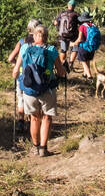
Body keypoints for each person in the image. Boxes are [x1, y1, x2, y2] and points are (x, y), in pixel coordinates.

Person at [13, 23, 67, 157]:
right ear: (47, 37)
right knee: (47, 117)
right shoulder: (52, 50)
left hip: (29, 90)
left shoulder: (25, 47)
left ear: (34, 35)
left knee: (34, 118)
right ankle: (43, 148)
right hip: (47, 89)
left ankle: (35, 147)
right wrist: (63, 71)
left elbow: (15, 72)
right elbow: (61, 72)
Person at [6, 18, 41, 138]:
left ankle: (21, 122)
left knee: (21, 98)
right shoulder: (41, 41)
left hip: (22, 75)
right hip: (37, 77)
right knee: (33, 99)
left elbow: (10, 58)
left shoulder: (22, 42)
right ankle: (33, 125)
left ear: (28, 29)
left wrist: (18, 64)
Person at [73, 12, 101, 79]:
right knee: (87, 60)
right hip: (92, 47)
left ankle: (89, 76)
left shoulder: (82, 26)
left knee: (83, 62)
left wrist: (74, 43)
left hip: (84, 47)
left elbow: (80, 39)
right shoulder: (93, 25)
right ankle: (85, 75)